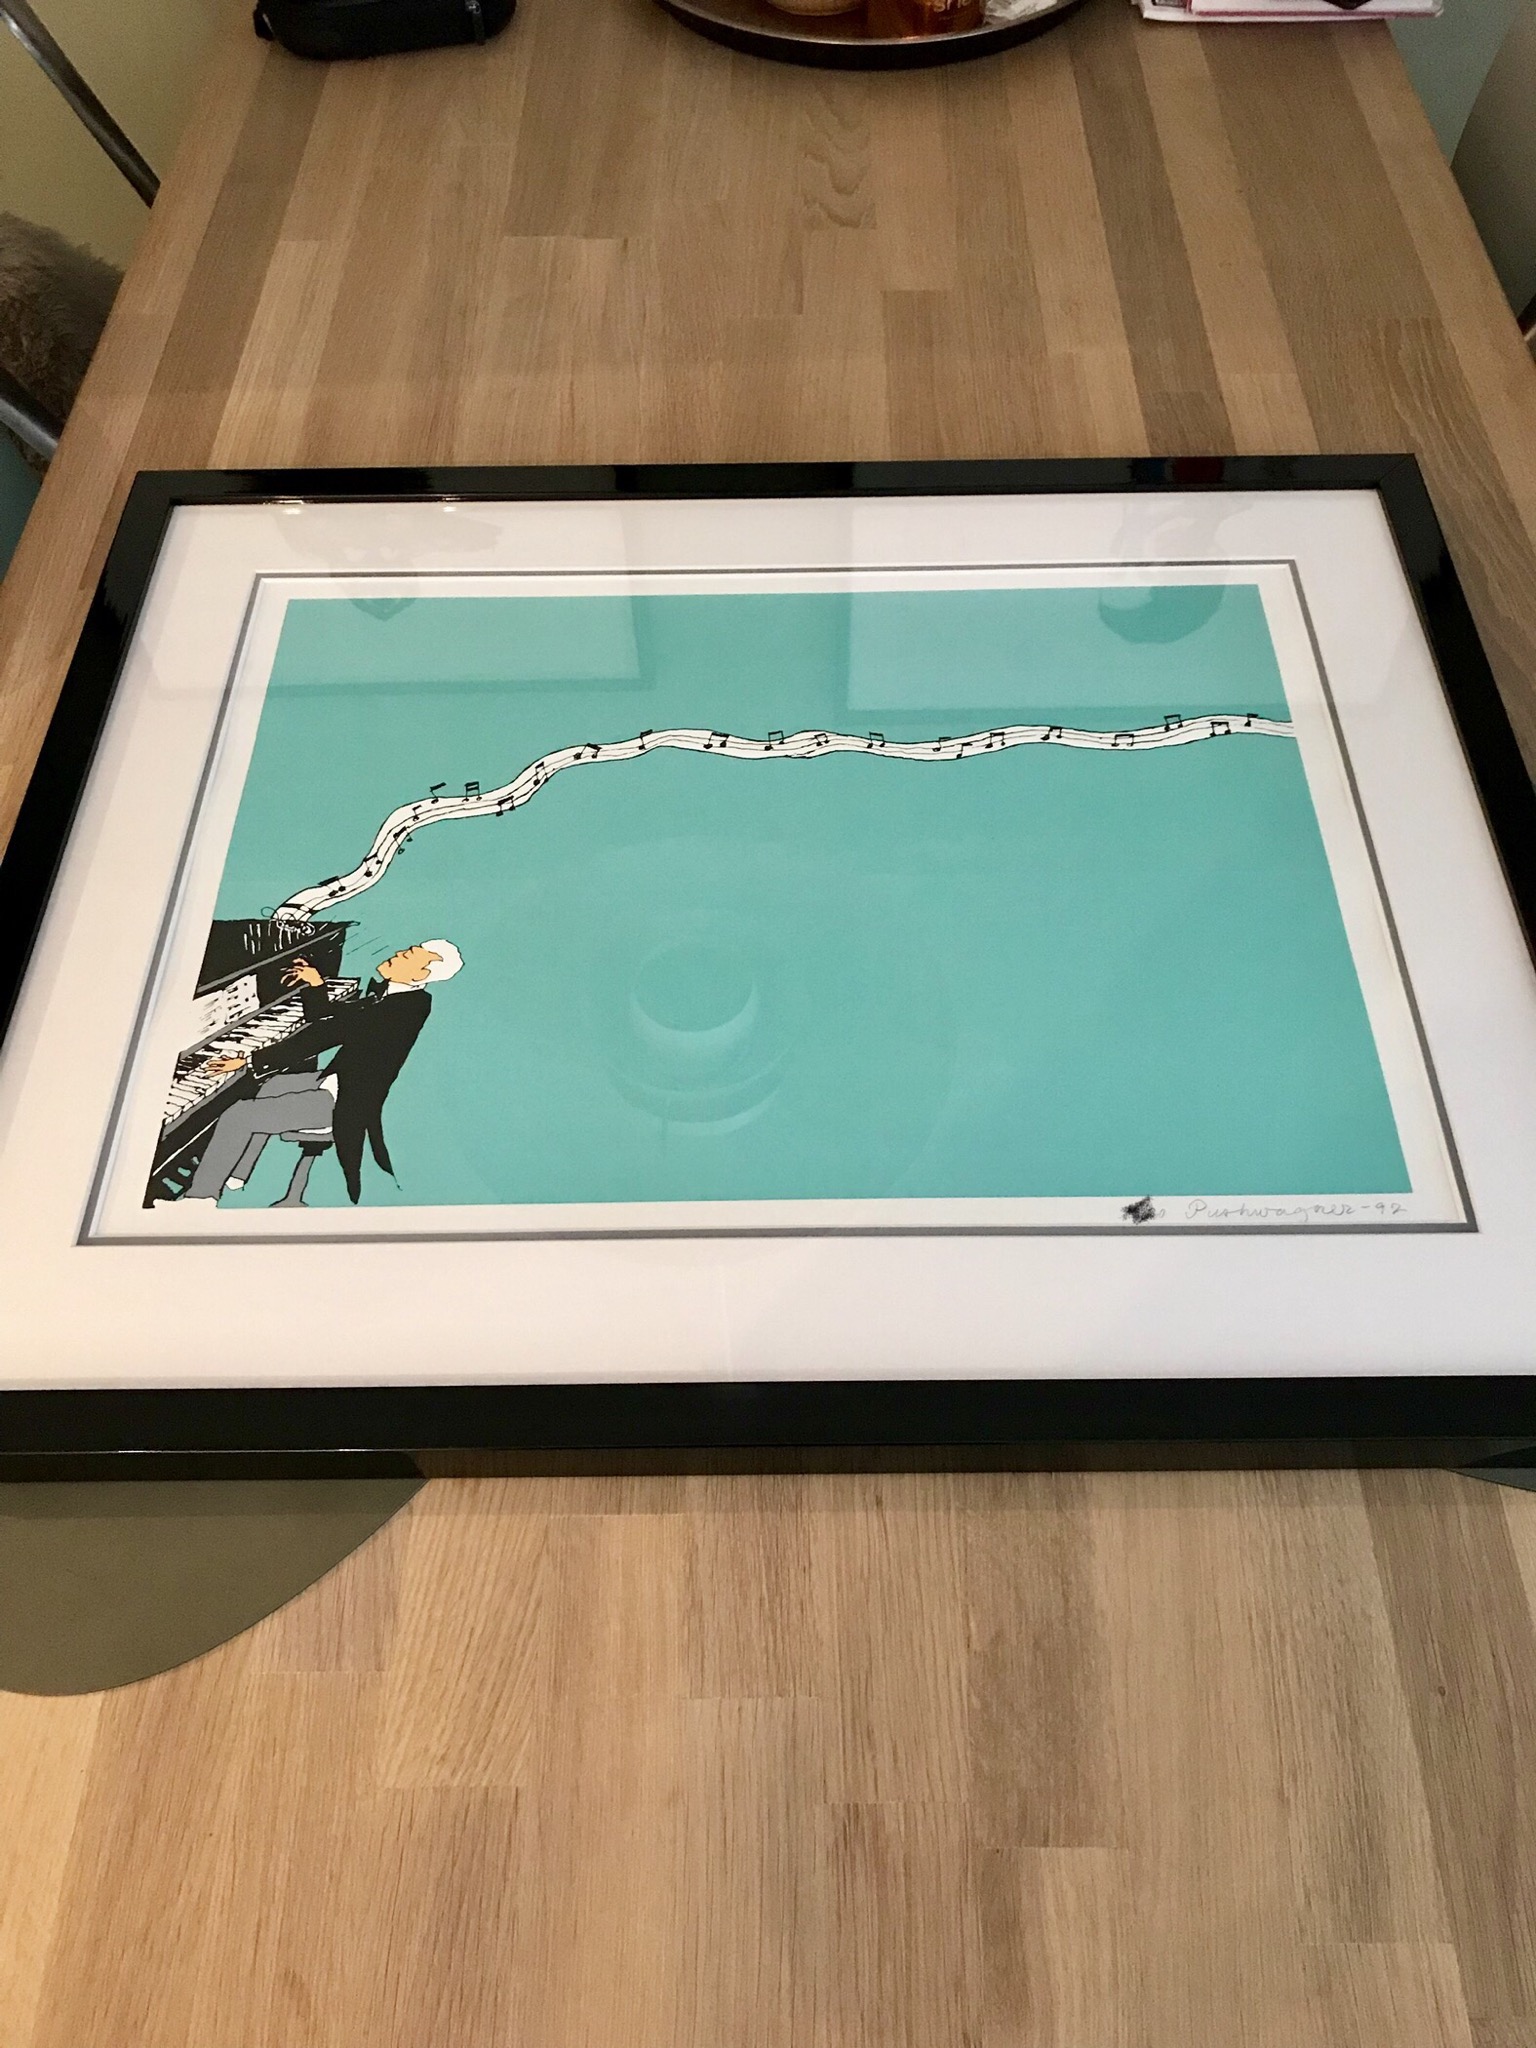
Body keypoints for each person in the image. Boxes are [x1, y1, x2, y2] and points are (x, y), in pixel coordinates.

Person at [173, 939, 462, 1207]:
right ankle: (240, 1171)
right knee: (271, 1086)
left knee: (237, 1115)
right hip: (338, 1081)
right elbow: (324, 1016)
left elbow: (323, 1034)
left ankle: (200, 1199)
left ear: (420, 974)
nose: (398, 954)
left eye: (408, 955)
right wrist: (315, 983)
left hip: (344, 1103)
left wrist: (248, 1060)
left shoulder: (400, 1009)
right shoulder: (400, 997)